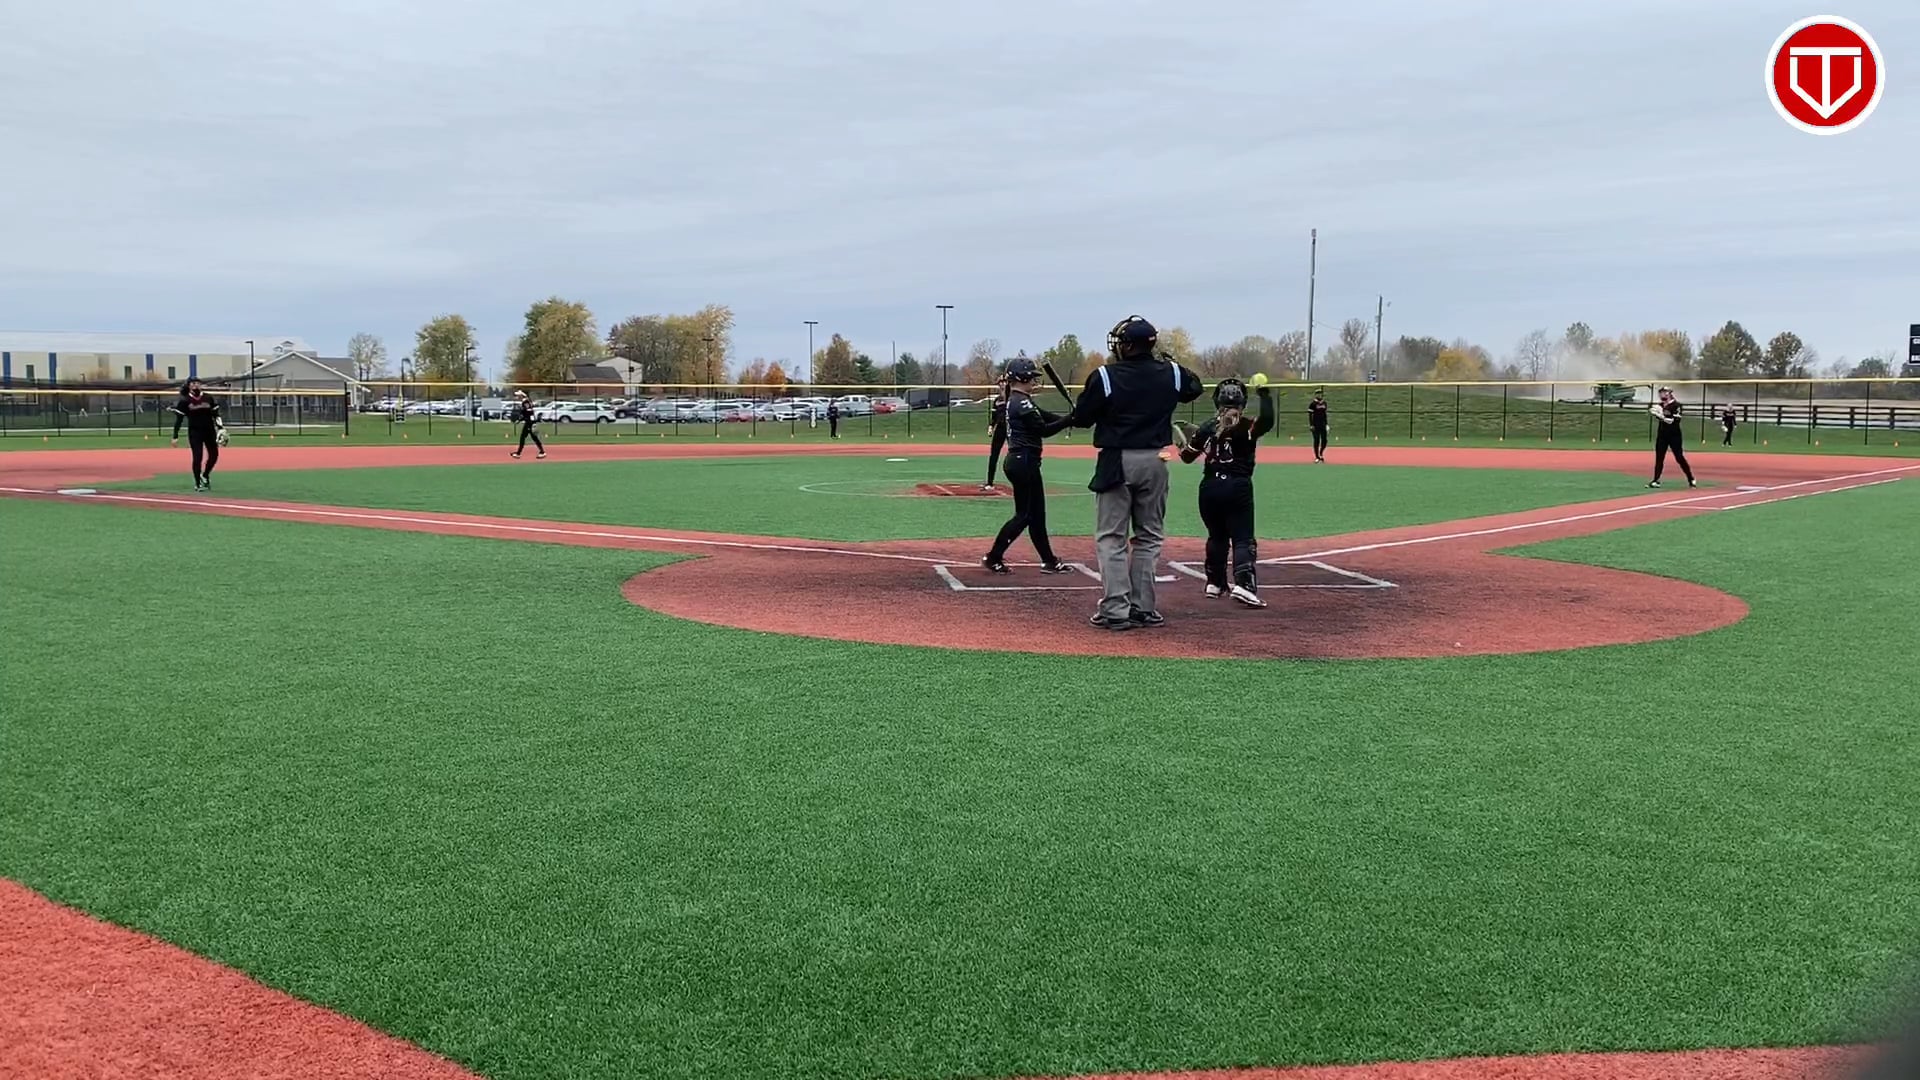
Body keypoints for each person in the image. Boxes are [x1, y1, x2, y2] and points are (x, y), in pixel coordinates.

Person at [1063, 315, 1206, 631]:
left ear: (1127, 346)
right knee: (1149, 536)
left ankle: (1116, 609)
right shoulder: (1171, 373)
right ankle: (1143, 608)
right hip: (1156, 459)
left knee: (1111, 536)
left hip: (1117, 460)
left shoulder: (1105, 375)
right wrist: (1171, 363)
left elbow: (1082, 418)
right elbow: (1194, 387)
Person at [1173, 375, 1275, 607]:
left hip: (1209, 487)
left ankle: (1215, 583)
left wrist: (1183, 445)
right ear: (1242, 402)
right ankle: (1244, 585)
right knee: (1243, 538)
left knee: (1217, 536)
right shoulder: (1246, 426)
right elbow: (1268, 421)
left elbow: (1187, 457)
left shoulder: (1207, 426)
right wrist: (1264, 394)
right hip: (1237, 486)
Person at [981, 359, 1074, 575]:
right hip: (1023, 462)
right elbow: (1043, 429)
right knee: (1024, 515)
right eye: (1031, 376)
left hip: (1023, 462)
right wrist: (1070, 420)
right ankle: (994, 556)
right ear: (1021, 378)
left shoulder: (1021, 400)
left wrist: (1073, 420)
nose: (1034, 380)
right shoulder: (1020, 402)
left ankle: (1048, 560)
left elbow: (1045, 417)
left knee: (1036, 515)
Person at [169, 377, 225, 491]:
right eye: (193, 383)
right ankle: (198, 483)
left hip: (209, 431)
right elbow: (179, 420)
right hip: (195, 432)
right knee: (197, 457)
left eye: (197, 383)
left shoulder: (208, 398)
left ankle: (205, 475)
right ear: (189, 385)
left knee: (214, 455)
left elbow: (216, 414)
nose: (195, 385)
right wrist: (175, 436)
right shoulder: (185, 401)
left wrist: (221, 428)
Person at [1648, 385, 1696, 488]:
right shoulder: (1660, 405)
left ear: (1668, 393)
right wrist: (1654, 412)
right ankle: (1656, 480)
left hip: (1674, 435)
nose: (1661, 394)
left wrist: (1660, 416)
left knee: (1679, 457)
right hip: (1662, 434)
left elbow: (1672, 421)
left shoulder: (1676, 405)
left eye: (1663, 392)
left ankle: (1691, 478)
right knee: (1659, 458)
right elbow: (1655, 411)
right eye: (1660, 392)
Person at [982, 378, 1009, 491]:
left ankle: (1023, 482)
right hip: (1000, 428)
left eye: (1004, 382)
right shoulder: (997, 400)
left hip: (1011, 428)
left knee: (1017, 453)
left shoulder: (1011, 398)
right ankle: (989, 482)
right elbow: (994, 417)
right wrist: (991, 426)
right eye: (1000, 383)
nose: (1002, 385)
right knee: (993, 455)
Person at [509, 390, 546, 459]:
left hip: (529, 423)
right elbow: (527, 413)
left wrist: (530, 422)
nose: (517, 397)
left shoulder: (525, 402)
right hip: (529, 422)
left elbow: (529, 412)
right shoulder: (526, 401)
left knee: (526, 437)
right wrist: (520, 420)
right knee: (531, 437)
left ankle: (519, 453)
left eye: (518, 395)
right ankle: (541, 452)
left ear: (521, 396)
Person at [1307, 389, 1330, 462]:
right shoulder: (1313, 404)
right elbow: (1310, 415)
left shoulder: (1324, 403)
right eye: (1318, 394)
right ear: (1315, 395)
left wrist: (1326, 424)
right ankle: (1317, 457)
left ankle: (1321, 453)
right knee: (1316, 440)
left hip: (1322, 424)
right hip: (1315, 425)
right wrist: (1311, 425)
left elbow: (1324, 414)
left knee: (1324, 440)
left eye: (1320, 394)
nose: (1319, 395)